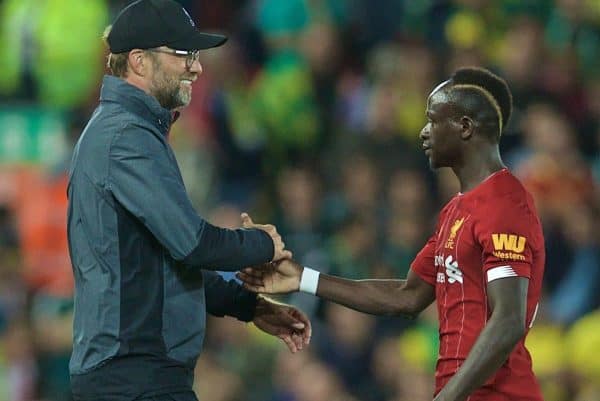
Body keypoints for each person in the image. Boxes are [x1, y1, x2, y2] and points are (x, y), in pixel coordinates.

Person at [239, 67, 545, 401]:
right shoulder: (455, 211)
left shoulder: (503, 204)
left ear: (465, 127)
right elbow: (406, 295)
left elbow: (509, 320)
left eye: (432, 120)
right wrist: (302, 278)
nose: (423, 133)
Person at [67, 1, 311, 401]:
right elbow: (193, 243)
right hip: (133, 378)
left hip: (135, 375)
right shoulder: (125, 137)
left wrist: (250, 307)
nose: (196, 67)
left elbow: (165, 265)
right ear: (140, 61)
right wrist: (264, 243)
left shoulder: (131, 132)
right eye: (183, 55)